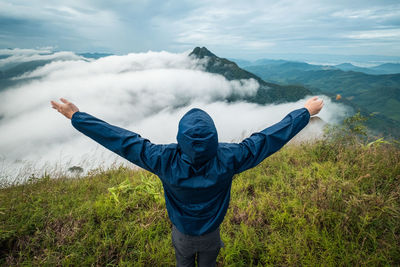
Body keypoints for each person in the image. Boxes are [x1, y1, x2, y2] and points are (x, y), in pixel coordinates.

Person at [51, 96, 323, 267]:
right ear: (214, 137)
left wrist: (77, 117)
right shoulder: (231, 157)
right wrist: (304, 112)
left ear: (180, 137)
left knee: (183, 261)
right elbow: (268, 139)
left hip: (181, 234)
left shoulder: (161, 159)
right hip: (211, 235)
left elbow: (121, 141)